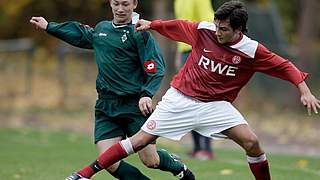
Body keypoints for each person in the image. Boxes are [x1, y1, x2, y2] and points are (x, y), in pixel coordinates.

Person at [60, 1, 320, 180]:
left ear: (239, 30)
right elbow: (178, 25)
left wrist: (304, 90)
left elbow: (284, 65)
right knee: (140, 142)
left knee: (252, 142)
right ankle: (83, 175)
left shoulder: (251, 50)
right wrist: (153, 24)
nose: (217, 31)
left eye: (224, 29)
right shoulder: (205, 31)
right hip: (180, 99)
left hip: (216, 105)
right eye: (217, 25)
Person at [30, 0, 195, 180]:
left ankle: (177, 166)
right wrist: (49, 26)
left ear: (134, 4)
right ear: (110, 4)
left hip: (134, 106)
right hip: (106, 106)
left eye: (125, 4)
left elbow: (156, 68)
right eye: (116, 3)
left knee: (151, 160)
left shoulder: (139, 33)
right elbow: (81, 34)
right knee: (108, 162)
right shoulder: (102, 29)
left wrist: (147, 94)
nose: (120, 9)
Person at [174, 0, 215, 160]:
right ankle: (197, 147)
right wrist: (180, 53)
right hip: (185, 52)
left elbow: (209, 25)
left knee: (203, 100)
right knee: (188, 101)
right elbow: (180, 28)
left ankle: (207, 148)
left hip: (199, 51)